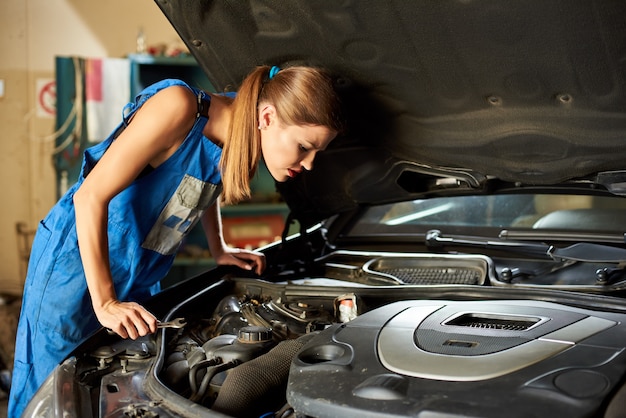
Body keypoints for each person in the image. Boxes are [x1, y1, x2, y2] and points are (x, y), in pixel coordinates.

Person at [9, 64, 343, 417]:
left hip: (140, 272)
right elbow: (89, 197)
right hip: (77, 264)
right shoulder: (180, 106)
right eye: (304, 146)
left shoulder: (236, 128)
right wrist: (105, 301)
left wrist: (219, 247)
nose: (308, 164)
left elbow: (200, 185)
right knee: (48, 390)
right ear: (267, 116)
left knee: (123, 384)